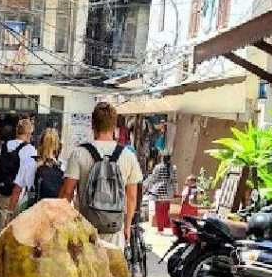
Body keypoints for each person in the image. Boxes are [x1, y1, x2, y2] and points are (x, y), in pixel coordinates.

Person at [59, 101, 143, 249]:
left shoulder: (79, 153)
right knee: (112, 271)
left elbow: (67, 193)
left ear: (92, 124)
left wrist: (60, 223)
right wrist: (127, 226)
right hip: (114, 232)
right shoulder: (128, 156)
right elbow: (131, 197)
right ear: (114, 126)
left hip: (85, 230)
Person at [0, 117, 38, 226]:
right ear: (29, 133)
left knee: (2, 226)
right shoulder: (30, 150)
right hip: (20, 196)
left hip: (3, 192)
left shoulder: (5, 146)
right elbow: (30, 178)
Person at [29, 127, 64, 205]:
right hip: (55, 210)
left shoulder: (34, 165)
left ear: (40, 144)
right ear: (57, 146)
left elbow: (29, 192)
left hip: (38, 210)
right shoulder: (62, 167)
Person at [144, 153, 177, 234]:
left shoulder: (158, 167)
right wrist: (175, 191)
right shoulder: (173, 168)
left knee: (159, 212)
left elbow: (153, 178)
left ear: (162, 158)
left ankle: (160, 229)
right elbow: (175, 181)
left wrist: (145, 185)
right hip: (168, 193)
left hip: (159, 192)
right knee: (165, 212)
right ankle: (166, 227)